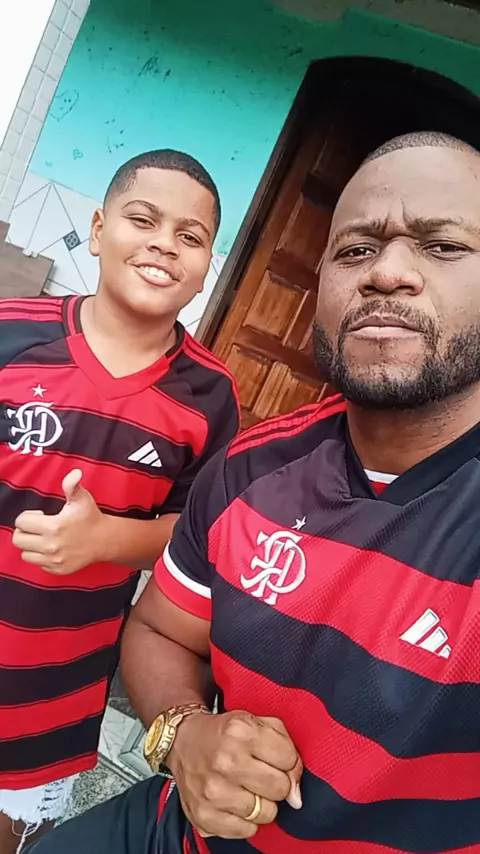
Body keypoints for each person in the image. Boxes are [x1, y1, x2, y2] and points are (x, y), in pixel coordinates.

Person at [25, 129, 480, 854]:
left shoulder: (207, 396)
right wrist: (183, 733)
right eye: (356, 249)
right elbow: (158, 629)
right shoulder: (252, 467)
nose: (388, 272)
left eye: (444, 246)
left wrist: (105, 538)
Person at [0, 149, 239, 853]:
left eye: (190, 236)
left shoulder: (209, 396)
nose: (165, 244)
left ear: (206, 264)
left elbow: (198, 531)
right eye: (143, 219)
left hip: (54, 687)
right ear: (100, 228)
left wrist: (107, 540)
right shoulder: (11, 332)